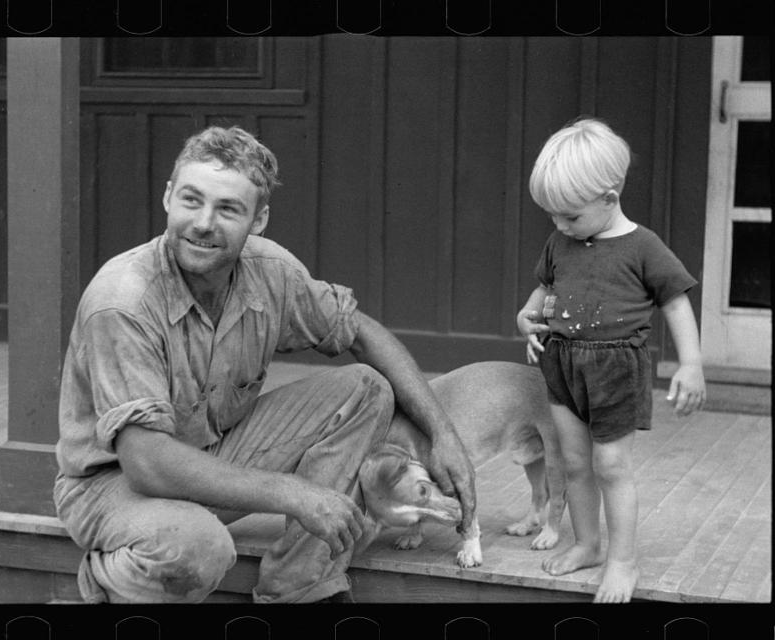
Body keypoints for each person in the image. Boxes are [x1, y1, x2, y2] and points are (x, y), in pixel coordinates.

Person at [53, 125, 475, 604]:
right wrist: (296, 494)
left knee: (366, 388)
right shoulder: (123, 300)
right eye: (191, 200)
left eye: (228, 208)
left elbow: (361, 333)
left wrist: (442, 434)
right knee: (197, 546)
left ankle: (301, 586)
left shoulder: (269, 271)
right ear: (168, 197)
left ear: (259, 219)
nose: (204, 223)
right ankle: (104, 588)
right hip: (112, 485)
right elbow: (147, 463)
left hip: (213, 455)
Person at [516, 117, 706, 603]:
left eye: (570, 215)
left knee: (611, 465)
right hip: (562, 365)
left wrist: (691, 363)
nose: (559, 225)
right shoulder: (561, 241)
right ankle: (588, 544)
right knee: (576, 462)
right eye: (552, 215)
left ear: (609, 196)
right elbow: (545, 288)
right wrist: (527, 316)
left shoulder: (643, 246)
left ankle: (624, 561)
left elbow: (676, 301)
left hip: (615, 371)